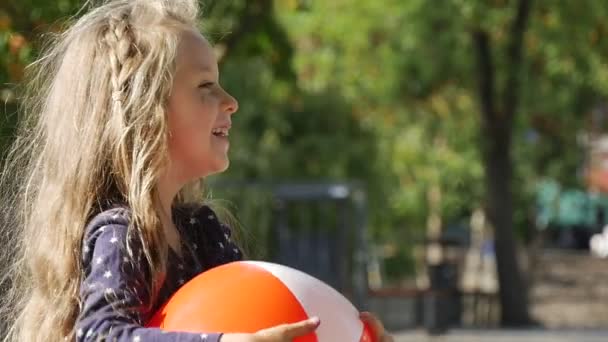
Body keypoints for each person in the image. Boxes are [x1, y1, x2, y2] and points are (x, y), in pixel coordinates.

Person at [0, 0, 393, 341]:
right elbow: (101, 335)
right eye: (206, 86)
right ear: (144, 114)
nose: (231, 101)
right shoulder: (123, 233)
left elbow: (257, 311)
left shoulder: (201, 232)